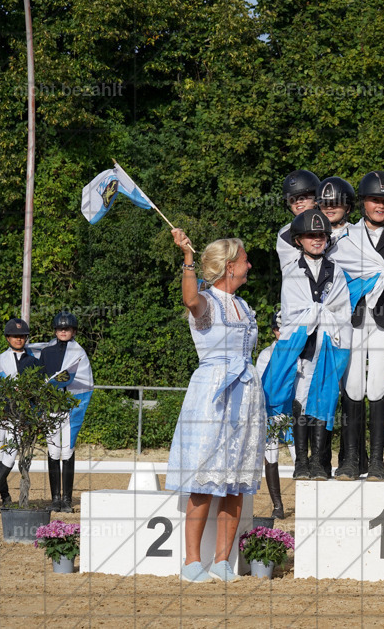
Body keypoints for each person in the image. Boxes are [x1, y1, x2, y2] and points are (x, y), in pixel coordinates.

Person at [166, 229, 267, 583]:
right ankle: (192, 562)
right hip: (212, 393)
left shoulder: (245, 306)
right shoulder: (206, 301)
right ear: (228, 267)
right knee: (203, 478)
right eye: (243, 260)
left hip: (245, 395)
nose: (249, 265)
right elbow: (190, 300)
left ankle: (223, 561)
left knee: (237, 480)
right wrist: (188, 260)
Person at [330, 171, 384, 481]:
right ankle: (351, 459)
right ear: (363, 202)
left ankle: (377, 460)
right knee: (351, 385)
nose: (381, 206)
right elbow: (337, 280)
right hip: (354, 317)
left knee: (378, 386)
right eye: (375, 200)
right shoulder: (345, 238)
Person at [266, 210, 352, 482]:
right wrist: (315, 313)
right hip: (302, 345)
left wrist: (321, 314)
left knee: (324, 400)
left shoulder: (336, 272)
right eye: (311, 235)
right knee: (300, 402)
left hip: (327, 344)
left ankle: (318, 461)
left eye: (321, 235)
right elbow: (293, 311)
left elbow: (340, 309)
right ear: (299, 240)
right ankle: (301, 461)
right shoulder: (291, 272)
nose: (316, 240)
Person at [0, 319, 43, 511]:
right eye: (15, 336)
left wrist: (36, 416)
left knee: (9, 455)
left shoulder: (34, 363)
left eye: (22, 336)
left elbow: (37, 394)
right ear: (8, 338)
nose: (19, 339)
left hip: (18, 415)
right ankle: (5, 496)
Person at [40, 311, 94, 513]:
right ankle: (55, 498)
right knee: (54, 450)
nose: (63, 331)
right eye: (60, 328)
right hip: (51, 408)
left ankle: (67, 499)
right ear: (55, 330)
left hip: (71, 408)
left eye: (67, 328)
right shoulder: (47, 352)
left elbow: (85, 382)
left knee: (67, 450)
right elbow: (41, 379)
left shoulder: (79, 353)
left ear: (73, 331)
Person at [255, 312, 290, 519]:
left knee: (298, 454)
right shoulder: (266, 355)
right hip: (272, 413)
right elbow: (259, 384)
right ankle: (278, 505)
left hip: (291, 413)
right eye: (278, 328)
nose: (281, 332)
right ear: (274, 331)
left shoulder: (299, 351)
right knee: (272, 456)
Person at [277, 169, 321, 269]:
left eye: (303, 197)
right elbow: (290, 270)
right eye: (292, 199)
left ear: (316, 199)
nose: (297, 202)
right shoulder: (286, 234)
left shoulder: (331, 225)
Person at [318, 176, 356, 241]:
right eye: (325, 203)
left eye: (335, 203)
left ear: (348, 208)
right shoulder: (312, 235)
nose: (329, 207)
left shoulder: (356, 234)